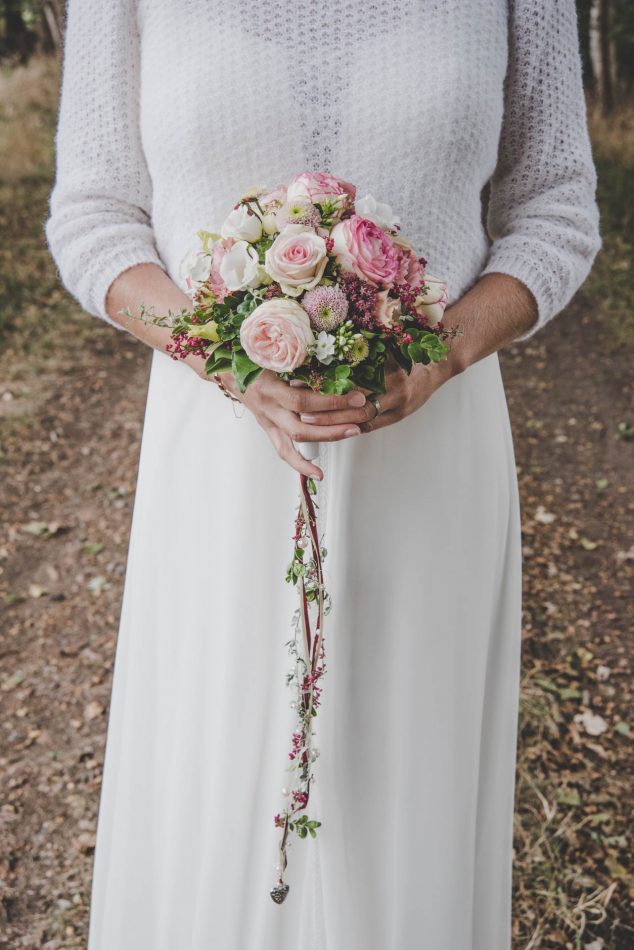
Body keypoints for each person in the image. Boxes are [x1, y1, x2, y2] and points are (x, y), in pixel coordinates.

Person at [46, 1, 601, 947]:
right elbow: (94, 216)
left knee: (402, 775)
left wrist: (444, 351)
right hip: (215, 456)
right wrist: (227, 360)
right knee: (214, 768)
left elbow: (555, 207)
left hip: (431, 453)